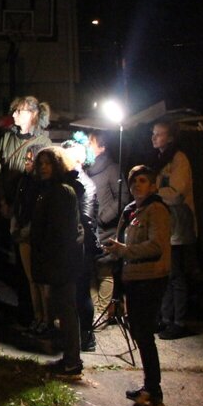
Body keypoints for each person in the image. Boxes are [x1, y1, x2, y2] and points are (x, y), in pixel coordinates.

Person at [102, 165, 172, 406]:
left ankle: (154, 394)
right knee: (139, 333)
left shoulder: (157, 210)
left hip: (150, 278)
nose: (137, 186)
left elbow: (156, 246)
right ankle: (149, 386)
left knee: (144, 334)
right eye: (133, 182)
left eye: (143, 181)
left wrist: (124, 250)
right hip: (132, 277)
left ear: (153, 185)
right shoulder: (131, 210)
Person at [0, 96, 52, 326]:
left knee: (33, 267)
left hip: (30, 211)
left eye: (19, 111)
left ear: (32, 115)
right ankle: (25, 310)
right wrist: (2, 201)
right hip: (10, 206)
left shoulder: (43, 141)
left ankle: (39, 315)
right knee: (16, 261)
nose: (14, 115)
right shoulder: (7, 137)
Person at [32, 147, 83, 379]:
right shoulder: (49, 190)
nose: (43, 167)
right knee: (63, 310)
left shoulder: (61, 192)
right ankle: (69, 359)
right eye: (40, 163)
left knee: (67, 311)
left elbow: (61, 232)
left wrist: (52, 260)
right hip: (58, 261)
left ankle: (72, 363)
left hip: (63, 262)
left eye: (48, 163)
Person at [150, 119, 196, 340]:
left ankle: (179, 321)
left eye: (159, 133)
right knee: (167, 273)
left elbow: (177, 193)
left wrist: (155, 194)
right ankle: (166, 318)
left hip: (178, 224)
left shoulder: (179, 159)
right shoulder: (162, 158)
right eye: (153, 133)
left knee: (176, 274)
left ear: (170, 137)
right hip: (168, 224)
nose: (154, 137)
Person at [61, 138, 99, 353]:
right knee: (73, 292)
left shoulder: (85, 184)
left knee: (81, 292)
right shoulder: (70, 182)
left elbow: (86, 218)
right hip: (73, 245)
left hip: (80, 247)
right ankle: (76, 333)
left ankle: (86, 334)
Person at [86, 130, 122, 323]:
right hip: (91, 229)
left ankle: (101, 312)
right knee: (90, 270)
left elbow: (121, 198)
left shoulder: (112, 169)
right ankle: (94, 312)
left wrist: (102, 218)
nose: (87, 146)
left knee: (105, 271)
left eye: (90, 143)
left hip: (105, 229)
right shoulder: (88, 168)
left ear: (102, 147)